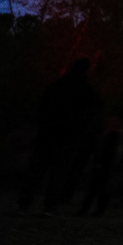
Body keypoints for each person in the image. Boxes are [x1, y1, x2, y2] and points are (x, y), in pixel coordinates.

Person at [18, 58, 101, 214]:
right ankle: (49, 206)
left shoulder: (56, 87)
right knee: (58, 174)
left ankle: (24, 204)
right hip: (67, 139)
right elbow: (90, 117)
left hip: (48, 135)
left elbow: (42, 109)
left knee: (37, 171)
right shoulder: (87, 91)